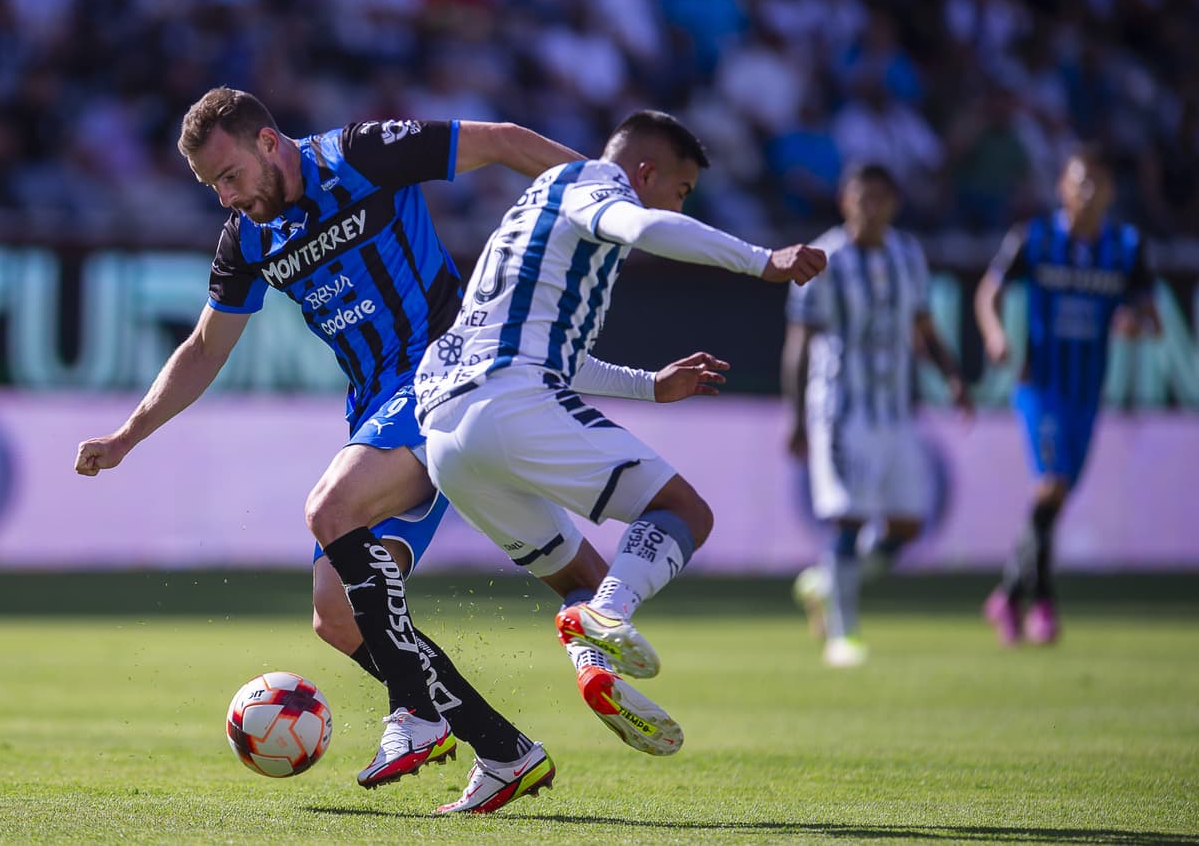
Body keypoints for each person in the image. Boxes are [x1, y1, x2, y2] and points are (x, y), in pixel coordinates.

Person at [72, 87, 594, 814]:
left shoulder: (362, 155)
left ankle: (414, 711)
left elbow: (504, 138)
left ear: (268, 142)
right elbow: (203, 349)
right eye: (212, 187)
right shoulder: (247, 238)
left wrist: (606, 199)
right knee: (336, 616)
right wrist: (128, 435)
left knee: (330, 508)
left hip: (447, 370)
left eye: (230, 176)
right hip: (377, 405)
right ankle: (505, 752)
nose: (226, 198)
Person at [412, 110, 827, 755]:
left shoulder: (534, 208)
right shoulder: (593, 183)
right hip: (507, 402)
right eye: (681, 191)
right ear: (646, 171)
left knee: (584, 577)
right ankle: (607, 617)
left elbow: (554, 351)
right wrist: (762, 261)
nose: (678, 205)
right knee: (683, 512)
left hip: (446, 435)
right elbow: (646, 226)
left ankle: (596, 671)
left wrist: (650, 385)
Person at [781, 163, 972, 668]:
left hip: (895, 411)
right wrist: (796, 419)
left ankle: (826, 583)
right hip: (841, 411)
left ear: (894, 204)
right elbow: (799, 344)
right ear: (844, 202)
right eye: (861, 198)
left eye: (880, 199)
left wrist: (953, 377)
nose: (870, 208)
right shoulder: (824, 259)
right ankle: (842, 635)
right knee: (849, 518)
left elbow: (923, 325)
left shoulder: (908, 254)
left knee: (906, 524)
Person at [975, 144, 1159, 646]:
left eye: (1098, 183)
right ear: (1062, 187)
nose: (1088, 192)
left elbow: (1152, 316)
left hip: (1087, 392)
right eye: (1080, 182)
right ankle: (1044, 603)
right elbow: (988, 291)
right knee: (1052, 486)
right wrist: (995, 333)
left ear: (1111, 192)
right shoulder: (1033, 238)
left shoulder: (1126, 247)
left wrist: (1134, 321)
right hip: (1041, 386)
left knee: (1053, 499)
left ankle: (1008, 595)